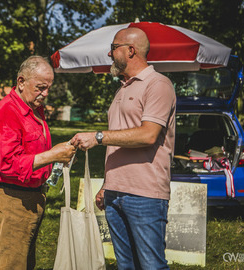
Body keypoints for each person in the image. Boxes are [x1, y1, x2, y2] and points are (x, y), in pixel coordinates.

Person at [71, 27, 176, 269]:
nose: (109, 55)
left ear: (131, 50)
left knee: (151, 265)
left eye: (113, 48)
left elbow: (148, 135)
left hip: (145, 194)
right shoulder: (122, 88)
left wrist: (97, 137)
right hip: (114, 193)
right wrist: (108, 183)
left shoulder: (158, 84)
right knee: (125, 265)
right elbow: (120, 141)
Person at [0, 56, 76, 270]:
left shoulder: (33, 109)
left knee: (25, 262)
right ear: (21, 82)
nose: (45, 94)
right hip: (11, 197)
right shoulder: (6, 111)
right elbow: (8, 164)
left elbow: (33, 151)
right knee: (11, 264)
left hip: (30, 194)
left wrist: (55, 152)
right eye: (41, 88)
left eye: (48, 88)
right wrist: (53, 155)